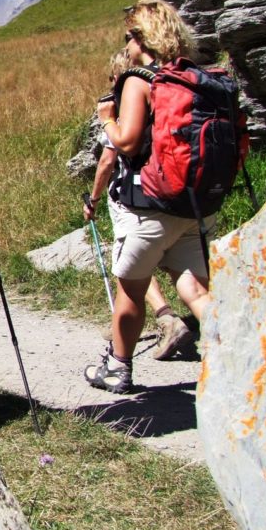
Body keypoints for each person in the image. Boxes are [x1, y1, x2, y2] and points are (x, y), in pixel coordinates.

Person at [84, 0, 211, 395]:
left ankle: (117, 368)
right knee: (195, 288)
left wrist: (108, 118)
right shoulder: (193, 75)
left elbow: (127, 140)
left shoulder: (139, 80)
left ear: (142, 37)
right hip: (194, 204)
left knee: (131, 293)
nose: (127, 47)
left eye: (130, 38)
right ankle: (241, 351)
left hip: (149, 205)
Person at [84, 52, 196, 359]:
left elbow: (109, 159)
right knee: (180, 269)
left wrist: (93, 199)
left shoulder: (127, 104)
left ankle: (162, 320)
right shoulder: (165, 94)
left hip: (136, 198)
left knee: (133, 267)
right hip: (178, 194)